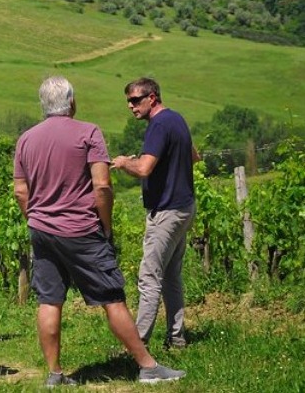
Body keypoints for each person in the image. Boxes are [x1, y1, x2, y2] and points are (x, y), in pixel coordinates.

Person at [14, 76, 185, 386]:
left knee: (49, 301)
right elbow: (102, 186)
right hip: (81, 228)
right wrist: (105, 225)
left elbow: (20, 191)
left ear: (43, 104)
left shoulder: (26, 139)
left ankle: (54, 374)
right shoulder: (88, 132)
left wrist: (35, 218)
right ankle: (147, 367)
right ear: (72, 101)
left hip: (41, 230)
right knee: (112, 298)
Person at [111, 77, 200, 350]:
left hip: (167, 211)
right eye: (128, 100)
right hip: (184, 207)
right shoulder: (176, 119)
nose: (131, 106)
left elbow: (144, 169)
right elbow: (194, 155)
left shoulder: (158, 125)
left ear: (152, 97)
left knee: (149, 276)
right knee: (171, 276)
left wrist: (126, 162)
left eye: (136, 100)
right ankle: (176, 337)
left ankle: (138, 343)